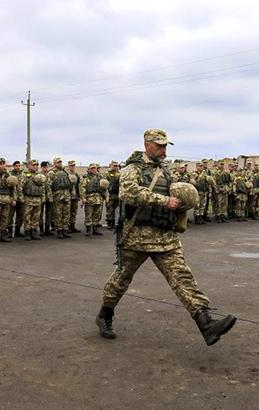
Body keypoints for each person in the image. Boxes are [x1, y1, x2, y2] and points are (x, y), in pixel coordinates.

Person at [96, 129, 236, 346]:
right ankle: (105, 315)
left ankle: (206, 323)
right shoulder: (132, 168)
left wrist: (184, 201)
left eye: (165, 146)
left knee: (182, 277)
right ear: (147, 145)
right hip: (137, 237)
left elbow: (175, 195)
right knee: (121, 280)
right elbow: (128, 193)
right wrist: (164, 201)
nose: (163, 150)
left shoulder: (166, 171)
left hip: (165, 235)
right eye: (159, 146)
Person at [46, 157, 72, 239]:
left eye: (60, 162)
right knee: (58, 214)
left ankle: (65, 230)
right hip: (57, 196)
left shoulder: (65, 171)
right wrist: (50, 197)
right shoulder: (51, 173)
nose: (60, 163)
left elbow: (69, 183)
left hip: (66, 195)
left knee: (66, 214)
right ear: (54, 163)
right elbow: (49, 186)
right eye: (58, 162)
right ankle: (59, 231)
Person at [80, 163, 107, 236]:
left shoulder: (100, 178)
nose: (94, 169)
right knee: (89, 215)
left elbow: (104, 188)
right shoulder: (86, 178)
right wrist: (83, 198)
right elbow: (82, 188)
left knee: (97, 215)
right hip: (89, 199)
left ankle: (95, 229)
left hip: (98, 198)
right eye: (92, 168)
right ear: (89, 169)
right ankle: (88, 230)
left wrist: (106, 197)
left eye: (95, 168)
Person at [21, 160, 45, 240]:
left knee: (36, 216)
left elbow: (43, 187)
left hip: (37, 198)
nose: (35, 166)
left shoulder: (40, 176)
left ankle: (34, 231)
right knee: (27, 216)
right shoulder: (25, 175)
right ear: (29, 166)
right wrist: (21, 197)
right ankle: (27, 232)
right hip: (28, 198)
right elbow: (20, 187)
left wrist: (43, 197)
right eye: (34, 165)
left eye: (37, 165)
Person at [7, 161, 26, 237]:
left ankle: (17, 231)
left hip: (21, 198)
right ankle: (9, 232)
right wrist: (12, 198)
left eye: (19, 166)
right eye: (16, 166)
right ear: (13, 166)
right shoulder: (9, 174)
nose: (18, 167)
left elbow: (25, 185)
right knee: (10, 215)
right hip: (12, 199)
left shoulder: (23, 175)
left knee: (20, 215)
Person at [104, 161, 121, 229]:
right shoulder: (107, 174)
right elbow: (104, 185)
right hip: (110, 194)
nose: (116, 167)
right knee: (110, 209)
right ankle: (110, 223)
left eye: (117, 166)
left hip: (118, 194)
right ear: (111, 166)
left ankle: (115, 223)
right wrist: (106, 196)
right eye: (114, 166)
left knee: (117, 209)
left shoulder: (120, 174)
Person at [39, 161, 54, 236]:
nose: (46, 168)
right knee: (40, 214)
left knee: (49, 214)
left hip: (49, 197)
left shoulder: (50, 175)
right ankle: (41, 230)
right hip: (41, 197)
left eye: (47, 167)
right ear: (41, 167)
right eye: (45, 167)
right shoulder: (38, 175)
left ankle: (47, 229)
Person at [67, 160, 81, 233]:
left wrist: (79, 195)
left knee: (74, 212)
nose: (72, 167)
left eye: (73, 165)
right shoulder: (66, 174)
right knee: (67, 212)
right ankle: (67, 227)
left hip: (75, 196)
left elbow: (78, 185)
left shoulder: (76, 174)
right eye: (71, 165)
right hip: (68, 196)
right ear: (68, 166)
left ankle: (72, 226)